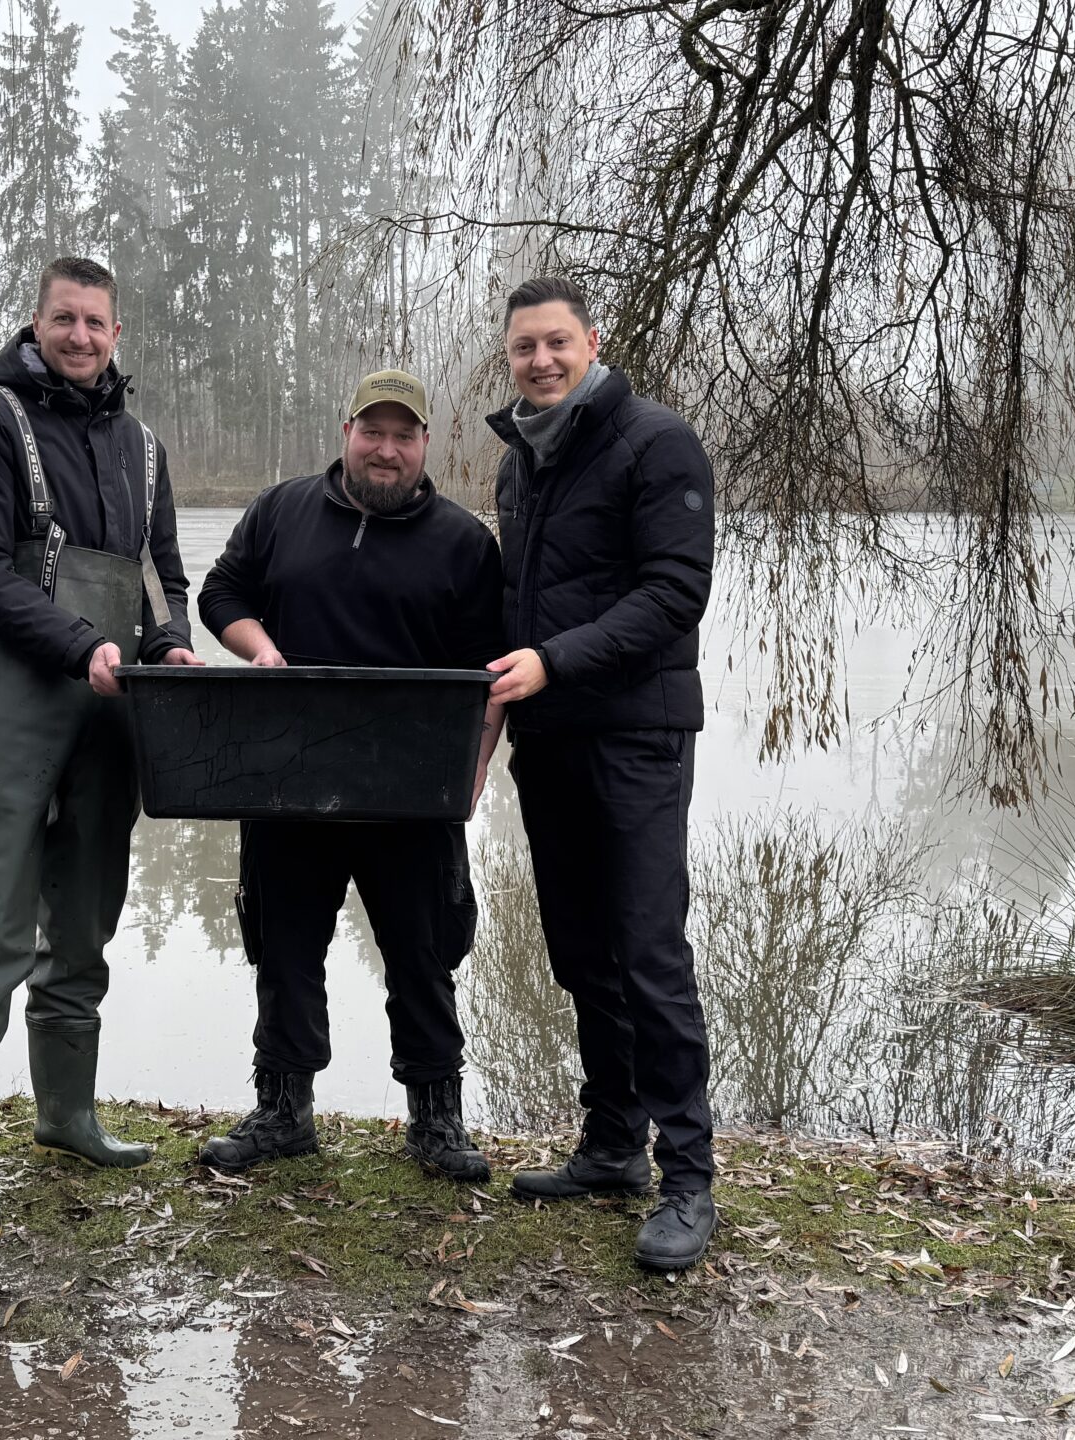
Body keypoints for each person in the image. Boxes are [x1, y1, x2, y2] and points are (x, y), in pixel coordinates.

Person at [0, 257, 202, 1242]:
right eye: (64, 319)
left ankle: (65, 1116)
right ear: (35, 324)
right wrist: (79, 644)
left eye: (96, 322)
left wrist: (171, 646)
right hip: (4, 711)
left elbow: (162, 576)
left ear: (117, 334)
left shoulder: (142, 448)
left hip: (107, 716)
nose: (81, 336)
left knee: (84, 921)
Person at [193, 369, 507, 1183]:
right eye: (374, 431)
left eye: (403, 436)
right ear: (347, 433)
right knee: (286, 950)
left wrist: (474, 766)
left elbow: (490, 670)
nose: (386, 450)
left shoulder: (465, 543)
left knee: (423, 955)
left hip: (411, 791)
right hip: (288, 778)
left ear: (425, 445)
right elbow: (221, 592)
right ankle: (282, 1112)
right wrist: (261, 649)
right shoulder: (281, 510)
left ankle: (437, 1120)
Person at [480, 276, 719, 1270]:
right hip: (551, 740)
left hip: (636, 736)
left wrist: (555, 660)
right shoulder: (520, 463)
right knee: (581, 952)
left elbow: (675, 592)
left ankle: (689, 1179)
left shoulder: (654, 442)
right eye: (522, 348)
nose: (539, 361)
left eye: (555, 343)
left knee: (648, 952)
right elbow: (518, 603)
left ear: (591, 342)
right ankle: (614, 1144)